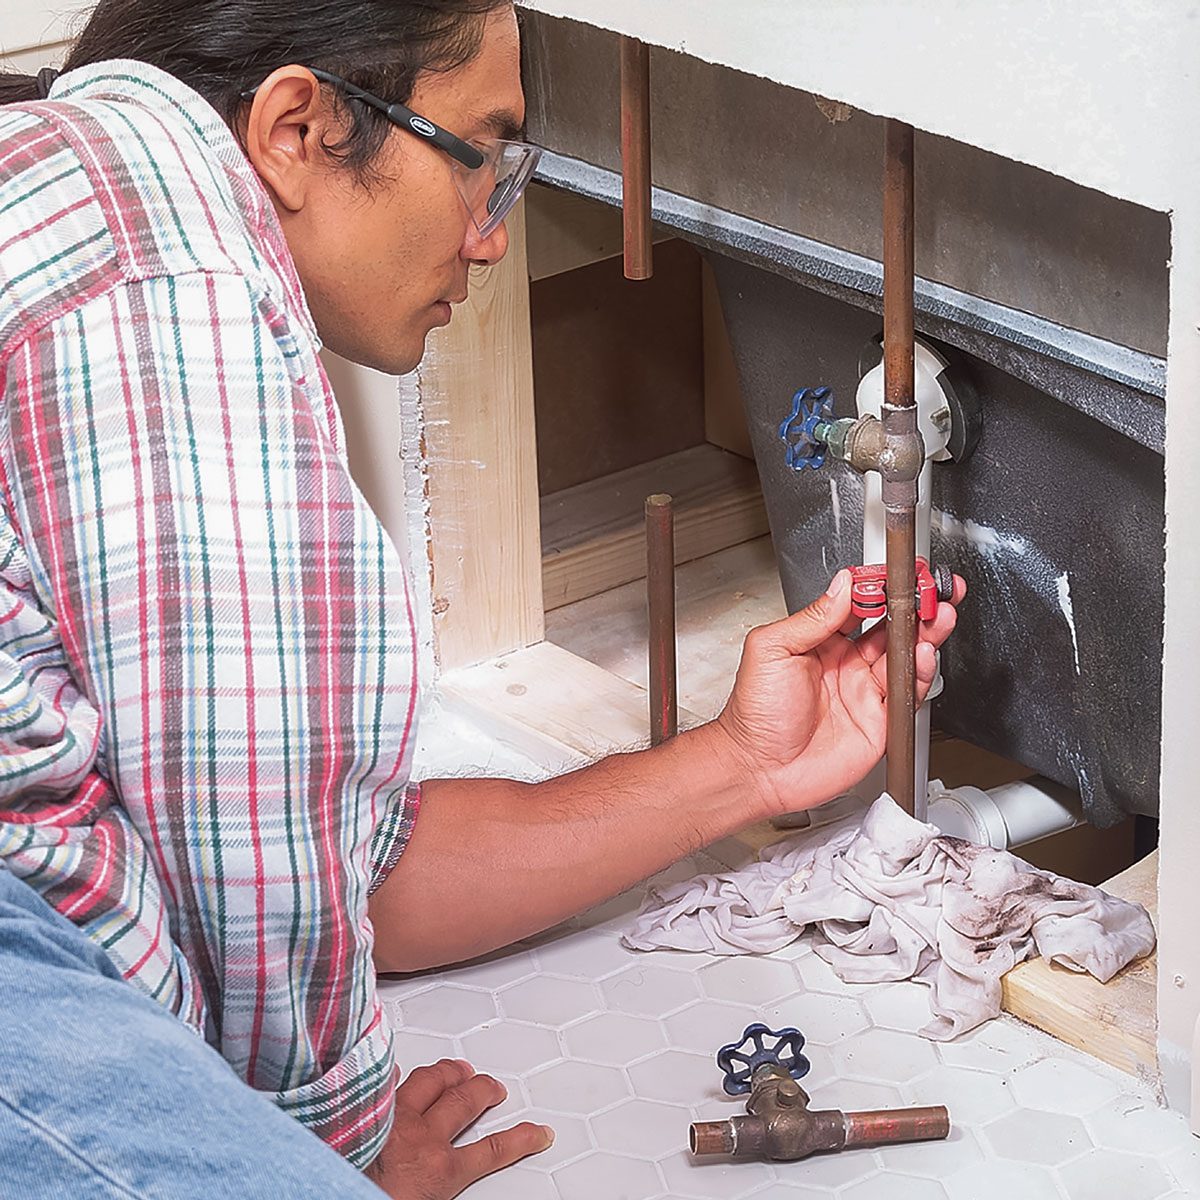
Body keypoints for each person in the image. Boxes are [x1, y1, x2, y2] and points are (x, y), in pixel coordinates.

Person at [0, 1, 963, 1195]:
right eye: (482, 156)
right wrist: (329, 1156)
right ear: (296, 128)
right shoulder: (170, 260)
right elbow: (240, 841)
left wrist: (745, 763)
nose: (492, 235)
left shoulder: (75, 192)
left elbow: (347, 866)